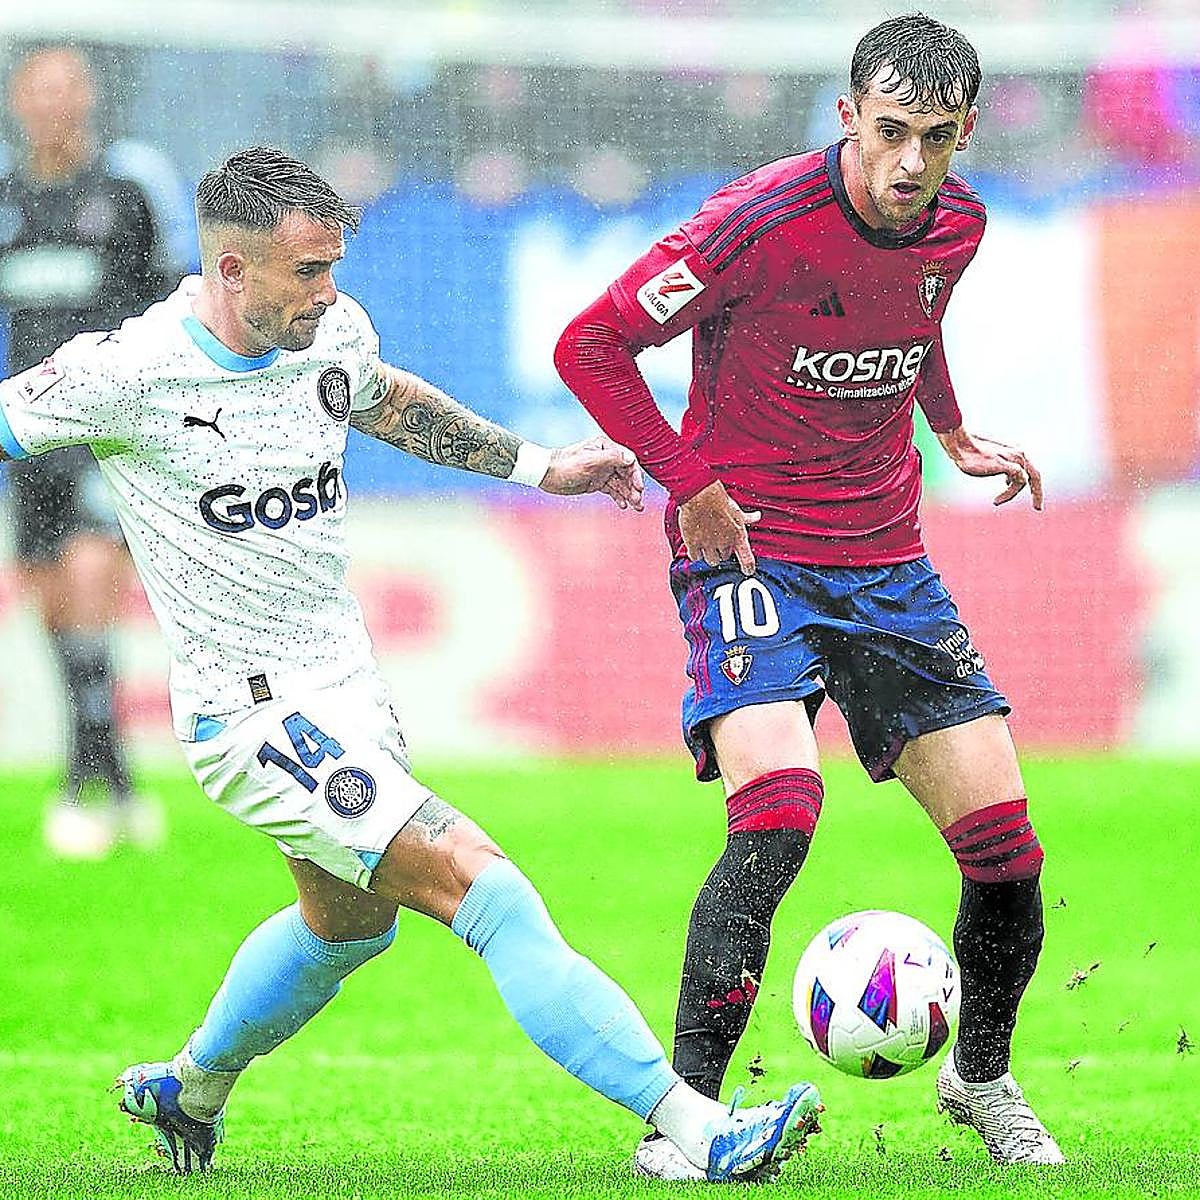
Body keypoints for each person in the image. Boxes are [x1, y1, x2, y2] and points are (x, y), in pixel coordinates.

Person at [0, 145, 821, 1180]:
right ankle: (695, 1129)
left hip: (345, 685)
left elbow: (384, 399)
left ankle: (191, 1088)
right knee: (489, 892)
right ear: (233, 270)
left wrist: (540, 465)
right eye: (308, 271)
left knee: (347, 928)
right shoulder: (127, 371)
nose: (329, 293)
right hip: (251, 720)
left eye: (334, 266)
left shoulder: (327, 332)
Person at [555, 12, 1062, 1175]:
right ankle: (687, 1122)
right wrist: (692, 483)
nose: (909, 164)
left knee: (1007, 852)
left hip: (889, 566)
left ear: (965, 134)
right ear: (847, 115)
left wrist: (950, 431)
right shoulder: (753, 225)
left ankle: (978, 1077)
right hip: (750, 559)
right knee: (780, 813)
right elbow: (590, 344)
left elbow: (910, 320)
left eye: (936, 139)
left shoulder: (960, 226)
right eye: (889, 133)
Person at [0, 46, 187, 856]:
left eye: (67, 88)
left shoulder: (131, 184)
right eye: (38, 89)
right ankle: (115, 778)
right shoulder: (6, 195)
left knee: (87, 577)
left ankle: (82, 781)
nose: (53, 103)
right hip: (29, 428)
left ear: (89, 99)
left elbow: (179, 291)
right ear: (17, 101)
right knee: (50, 596)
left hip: (107, 423)